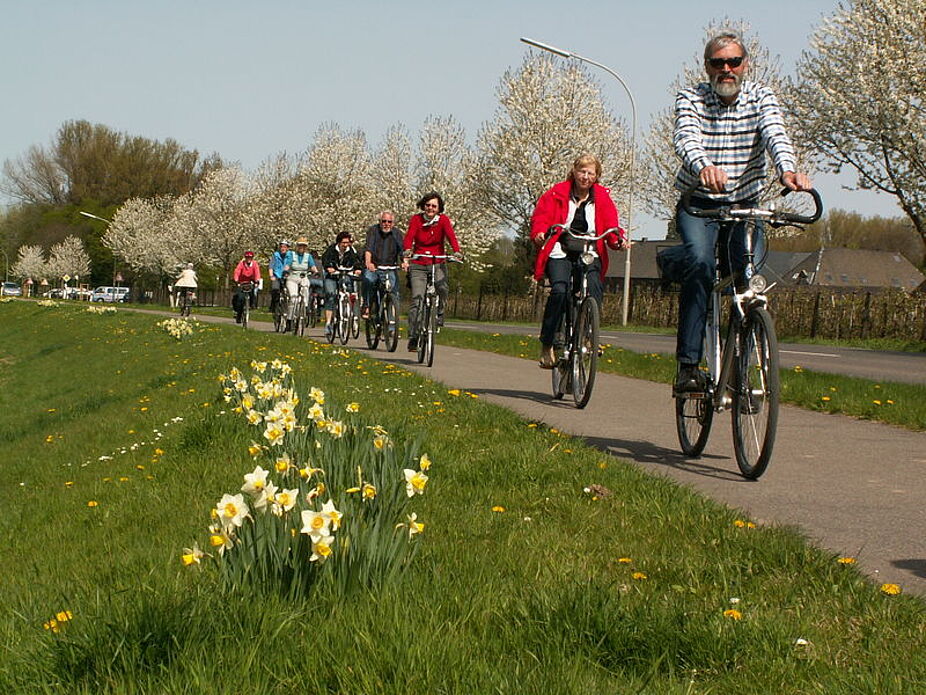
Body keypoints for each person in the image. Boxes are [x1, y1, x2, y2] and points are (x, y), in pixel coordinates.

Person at [672, 31, 811, 391]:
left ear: (745, 64)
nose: (727, 69)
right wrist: (704, 166)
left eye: (734, 62)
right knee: (700, 264)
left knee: (748, 281)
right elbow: (685, 137)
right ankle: (688, 365)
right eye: (718, 63)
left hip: (744, 205)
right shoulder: (691, 98)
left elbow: (775, 134)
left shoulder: (761, 97)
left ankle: (742, 373)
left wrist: (788, 170)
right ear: (707, 67)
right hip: (699, 204)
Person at [530, 155, 627, 369]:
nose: (585, 176)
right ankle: (548, 342)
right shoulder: (557, 192)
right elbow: (541, 217)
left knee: (594, 287)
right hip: (561, 248)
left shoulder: (602, 197)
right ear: (574, 172)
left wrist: (618, 240)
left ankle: (589, 335)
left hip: (588, 248)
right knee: (559, 290)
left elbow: (611, 224)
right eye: (582, 171)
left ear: (596, 176)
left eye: (590, 173)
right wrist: (539, 232)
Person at [403, 192, 462, 351]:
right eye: (428, 205)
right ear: (424, 205)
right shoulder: (417, 219)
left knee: (442, 287)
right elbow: (409, 236)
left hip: (437, 262)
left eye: (434, 206)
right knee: (417, 299)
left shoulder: (443, 220)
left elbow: (451, 236)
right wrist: (408, 250)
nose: (430, 208)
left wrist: (456, 251)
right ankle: (413, 336)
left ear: (439, 208)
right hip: (419, 263)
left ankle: (440, 312)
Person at [361, 211, 406, 319]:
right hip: (375, 266)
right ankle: (366, 304)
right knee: (368, 279)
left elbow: (402, 251)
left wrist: (405, 262)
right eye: (384, 221)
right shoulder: (373, 231)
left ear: (393, 223)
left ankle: (391, 326)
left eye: (389, 222)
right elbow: (369, 249)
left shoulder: (397, 233)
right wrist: (368, 262)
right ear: (380, 222)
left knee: (393, 293)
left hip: (390, 267)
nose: (386, 224)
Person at [321, 232, 362, 339]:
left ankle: (352, 315)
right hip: (332, 275)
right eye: (343, 243)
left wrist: (358, 269)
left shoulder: (351, 251)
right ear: (339, 242)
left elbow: (357, 261)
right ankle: (329, 323)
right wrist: (329, 267)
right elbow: (325, 260)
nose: (345, 245)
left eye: (347, 243)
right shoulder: (331, 250)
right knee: (330, 295)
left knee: (350, 291)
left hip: (345, 273)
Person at [285, 237, 318, 328]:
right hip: (293, 277)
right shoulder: (292, 254)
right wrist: (286, 270)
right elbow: (288, 264)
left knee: (306, 287)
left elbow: (312, 266)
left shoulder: (308, 256)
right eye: (300, 245)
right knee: (293, 298)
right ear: (297, 246)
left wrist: (316, 271)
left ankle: (305, 306)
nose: (301, 247)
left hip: (303, 276)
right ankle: (290, 319)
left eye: (304, 246)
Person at [232, 251, 261, 323]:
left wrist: (257, 280)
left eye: (250, 257)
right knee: (239, 298)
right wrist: (236, 280)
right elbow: (237, 271)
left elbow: (257, 272)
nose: (248, 259)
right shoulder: (241, 263)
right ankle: (239, 314)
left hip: (250, 282)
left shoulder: (254, 264)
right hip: (241, 282)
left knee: (252, 294)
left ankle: (251, 305)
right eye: (247, 257)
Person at [269, 240, 293, 315]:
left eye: (284, 247)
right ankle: (274, 306)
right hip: (277, 275)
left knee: (289, 291)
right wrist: (271, 276)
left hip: (287, 275)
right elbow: (271, 266)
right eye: (281, 247)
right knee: (275, 289)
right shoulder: (276, 255)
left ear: (287, 248)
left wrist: (287, 271)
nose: (282, 248)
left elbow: (290, 264)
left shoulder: (290, 255)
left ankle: (288, 306)